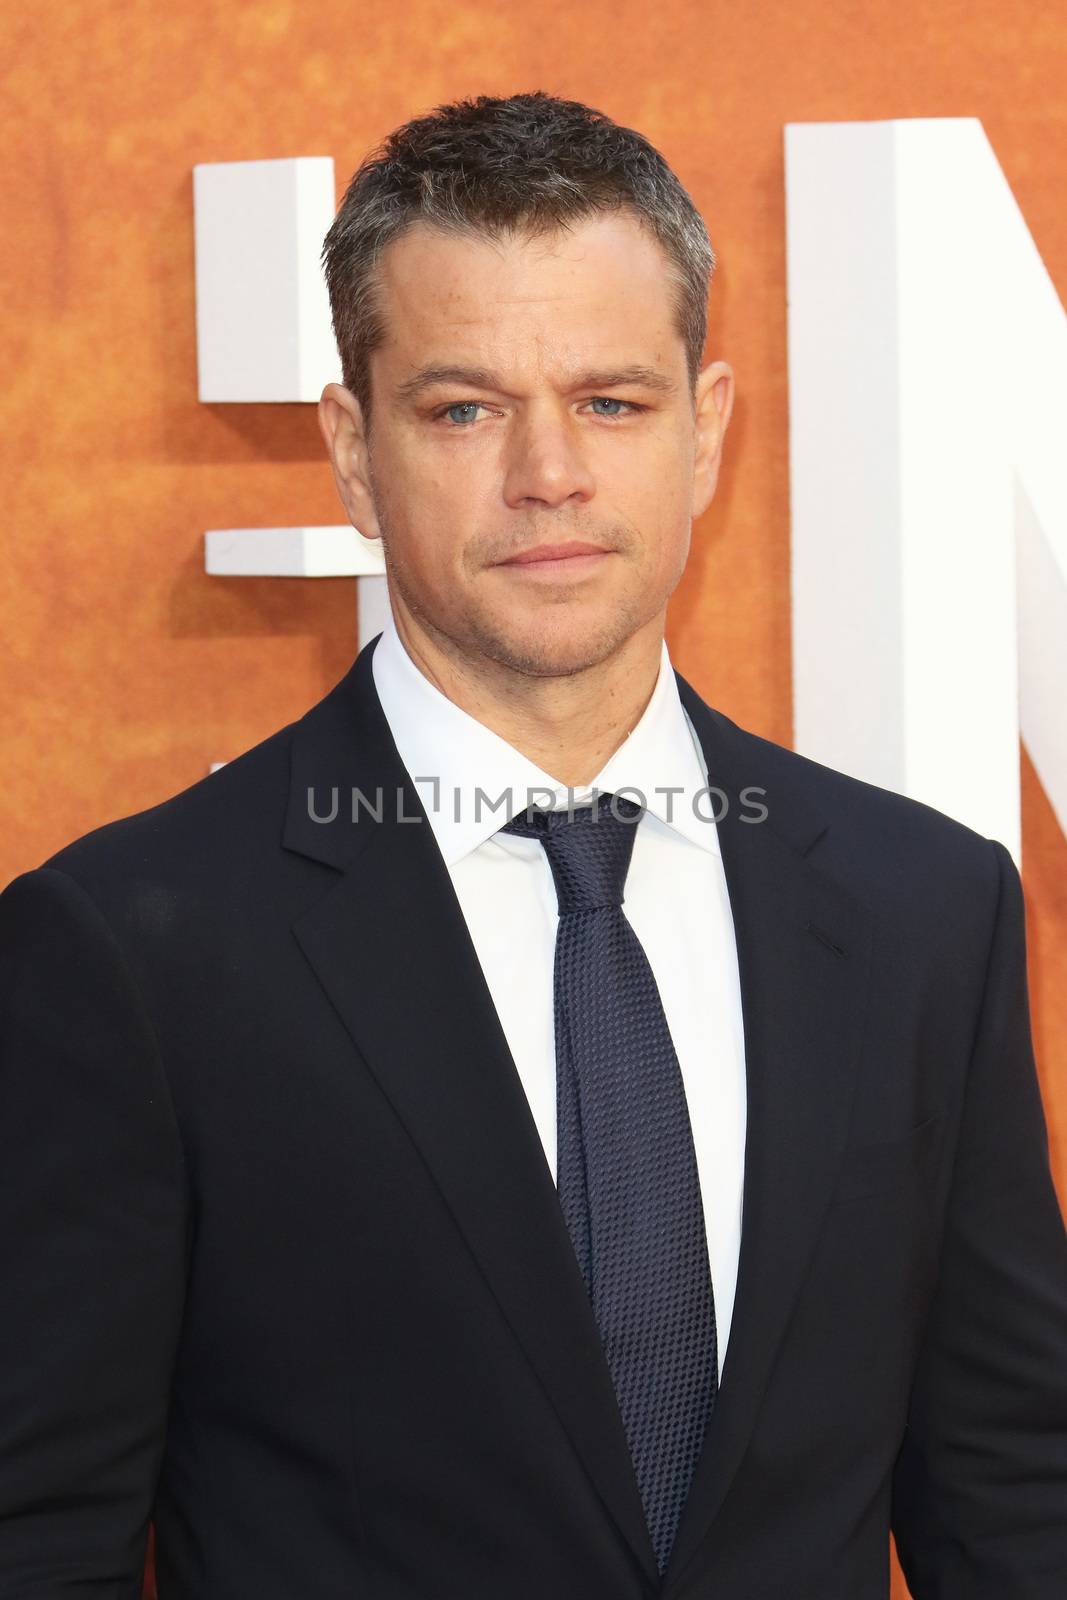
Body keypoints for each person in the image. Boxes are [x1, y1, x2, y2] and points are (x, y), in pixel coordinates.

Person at [1, 89, 1065, 1600]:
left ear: (708, 434)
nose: (549, 473)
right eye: (464, 408)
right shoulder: (131, 947)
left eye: (613, 402)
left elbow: (1017, 1494)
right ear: (354, 453)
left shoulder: (926, 913)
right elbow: (40, 1531)